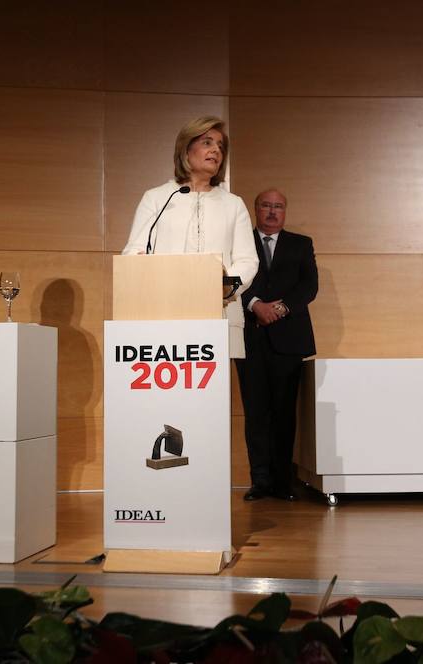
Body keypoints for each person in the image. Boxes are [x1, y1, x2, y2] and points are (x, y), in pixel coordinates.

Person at [122, 116, 258, 356]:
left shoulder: (233, 204)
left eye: (220, 146)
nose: (216, 150)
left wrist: (225, 286)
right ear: (186, 149)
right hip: (164, 311)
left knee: (216, 391)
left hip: (220, 309)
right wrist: (144, 266)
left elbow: (248, 260)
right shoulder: (157, 198)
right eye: (207, 142)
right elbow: (133, 252)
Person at [237, 189, 318, 501]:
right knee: (256, 413)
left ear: (285, 211)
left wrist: (280, 308)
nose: (272, 212)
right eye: (266, 206)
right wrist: (255, 304)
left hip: (289, 338)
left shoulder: (301, 244)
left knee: (285, 414)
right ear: (256, 209)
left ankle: (283, 483)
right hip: (250, 338)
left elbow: (309, 286)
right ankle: (260, 482)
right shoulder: (240, 241)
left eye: (279, 206)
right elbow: (228, 279)